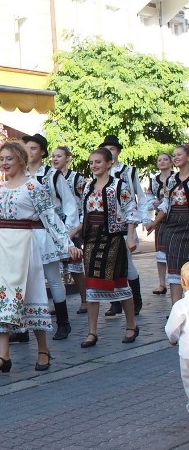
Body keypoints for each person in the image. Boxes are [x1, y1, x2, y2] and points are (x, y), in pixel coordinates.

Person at [0, 141, 81, 375]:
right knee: (0, 298)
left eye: (9, 158)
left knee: (31, 296)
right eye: (1, 159)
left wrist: (68, 244)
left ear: (21, 159)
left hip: (25, 245)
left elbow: (50, 218)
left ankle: (43, 350)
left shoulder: (34, 187)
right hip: (2, 247)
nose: (4, 163)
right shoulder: (2, 188)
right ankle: (3, 356)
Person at [70, 148, 139, 348]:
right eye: (91, 162)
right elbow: (85, 215)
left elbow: (130, 212)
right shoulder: (88, 187)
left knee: (120, 283)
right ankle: (92, 332)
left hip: (113, 239)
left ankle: (131, 325)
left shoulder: (119, 186)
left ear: (109, 163)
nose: (94, 166)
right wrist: (72, 233)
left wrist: (131, 237)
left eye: (98, 162)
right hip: (91, 239)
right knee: (91, 285)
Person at [23, 133, 79, 341]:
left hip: (47, 233)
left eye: (33, 148)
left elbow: (70, 205)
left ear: (42, 152)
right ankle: (25, 328)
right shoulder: (20, 175)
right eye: (26, 148)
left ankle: (63, 322)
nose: (29, 152)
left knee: (53, 278)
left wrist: (65, 232)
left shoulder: (53, 175)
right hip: (25, 234)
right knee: (26, 280)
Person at [100, 135, 149, 317]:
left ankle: (136, 301)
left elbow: (141, 196)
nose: (110, 152)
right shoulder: (101, 171)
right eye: (106, 149)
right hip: (106, 224)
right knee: (108, 262)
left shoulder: (128, 171)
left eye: (112, 149)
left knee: (127, 263)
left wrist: (140, 219)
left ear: (118, 151)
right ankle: (115, 303)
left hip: (125, 222)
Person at [145, 145, 189, 305]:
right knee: (175, 269)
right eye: (174, 155)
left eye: (179, 155)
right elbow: (166, 204)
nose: (175, 157)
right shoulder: (171, 180)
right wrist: (154, 223)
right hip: (172, 226)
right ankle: (176, 310)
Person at [51, 145, 89, 314]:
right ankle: (58, 303)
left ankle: (85, 299)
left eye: (59, 156)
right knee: (55, 268)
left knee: (75, 266)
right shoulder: (48, 177)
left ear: (68, 158)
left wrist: (77, 227)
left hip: (72, 224)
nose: (55, 159)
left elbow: (84, 204)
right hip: (54, 225)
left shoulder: (76, 179)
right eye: (53, 156)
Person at [164, 262, 189, 413]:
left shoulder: (181, 305)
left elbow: (171, 328)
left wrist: (173, 339)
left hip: (187, 351)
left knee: (188, 380)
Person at [149, 153, 174, 296]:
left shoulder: (176, 178)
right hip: (160, 218)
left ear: (171, 162)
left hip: (174, 217)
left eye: (165, 159)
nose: (162, 162)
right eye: (159, 160)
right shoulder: (154, 181)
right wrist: (154, 203)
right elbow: (150, 197)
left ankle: (175, 281)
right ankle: (161, 283)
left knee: (174, 251)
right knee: (160, 252)